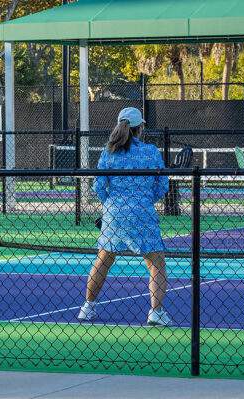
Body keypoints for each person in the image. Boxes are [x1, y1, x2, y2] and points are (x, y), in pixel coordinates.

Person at [77, 107, 172, 326]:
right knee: (156, 263)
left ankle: (87, 307)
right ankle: (155, 312)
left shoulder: (108, 152)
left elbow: (99, 186)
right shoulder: (150, 152)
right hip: (142, 212)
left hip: (113, 213)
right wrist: (146, 200)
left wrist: (111, 205)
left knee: (103, 260)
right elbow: (163, 185)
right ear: (140, 128)